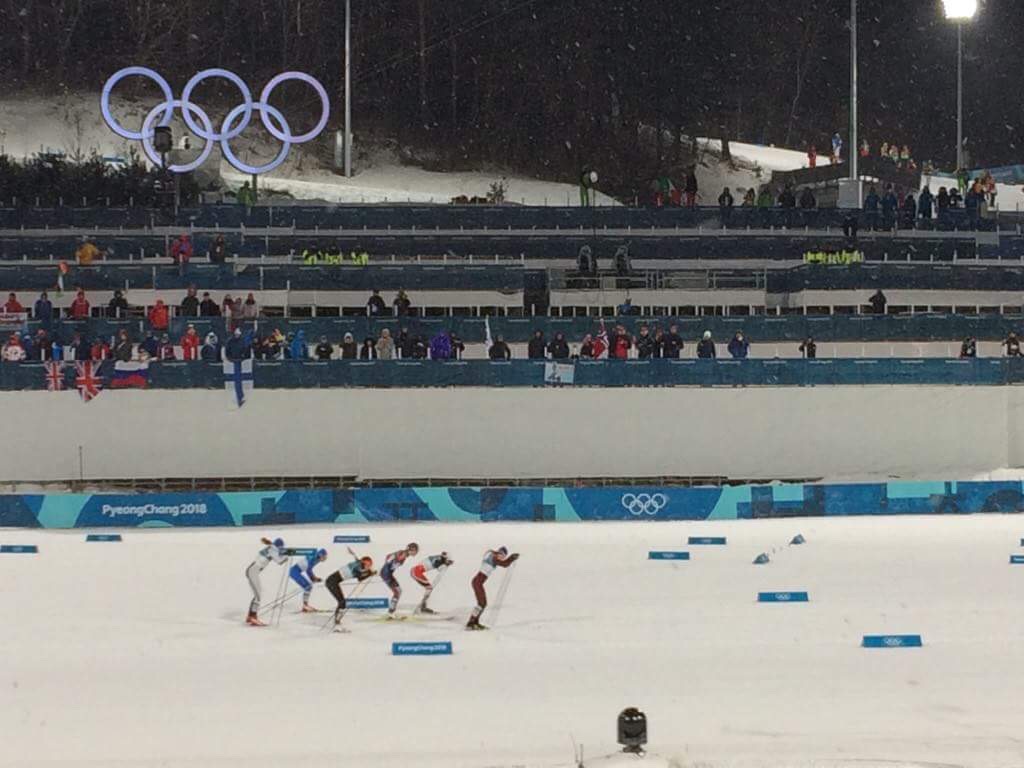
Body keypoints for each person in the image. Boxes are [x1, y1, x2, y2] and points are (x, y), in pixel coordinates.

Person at [466, 546, 519, 631]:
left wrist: (510, 558)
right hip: (477, 583)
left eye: (503, 556)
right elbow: (504, 564)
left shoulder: (492, 556)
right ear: (498, 552)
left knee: (482, 604)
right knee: (482, 604)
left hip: (477, 582)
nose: (501, 557)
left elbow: (503, 563)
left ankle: (474, 622)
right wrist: (512, 558)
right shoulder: (494, 557)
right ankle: (471, 623)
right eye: (501, 554)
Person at [324, 554, 376, 632]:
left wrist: (368, 572)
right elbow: (360, 578)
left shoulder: (358, 564)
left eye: (370, 565)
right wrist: (369, 573)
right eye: (368, 565)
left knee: (342, 602)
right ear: (364, 562)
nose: (369, 567)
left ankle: (337, 622)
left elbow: (360, 570)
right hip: (331, 582)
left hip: (333, 582)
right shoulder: (357, 567)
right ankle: (336, 624)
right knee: (342, 602)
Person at [245, 537, 288, 627]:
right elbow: (280, 561)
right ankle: (253, 617)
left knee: (257, 595)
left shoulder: (271, 548)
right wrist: (287, 556)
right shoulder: (273, 550)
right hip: (253, 571)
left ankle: (250, 616)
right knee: (258, 596)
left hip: (253, 570)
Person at [380, 543, 419, 619]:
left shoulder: (404, 554)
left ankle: (391, 612)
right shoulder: (403, 554)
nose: (416, 552)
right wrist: (387, 564)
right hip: (386, 574)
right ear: (411, 550)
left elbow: (389, 556)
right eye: (415, 551)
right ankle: (390, 613)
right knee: (397, 592)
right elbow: (392, 557)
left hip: (388, 573)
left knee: (398, 591)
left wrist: (389, 563)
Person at [288, 549, 328, 613]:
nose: (325, 559)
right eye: (324, 557)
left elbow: (309, 568)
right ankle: (305, 606)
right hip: (294, 572)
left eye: (326, 557)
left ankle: (305, 606)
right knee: (308, 587)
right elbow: (308, 570)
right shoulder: (314, 558)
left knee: (308, 587)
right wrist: (314, 578)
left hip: (296, 571)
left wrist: (314, 578)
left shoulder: (317, 559)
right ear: (320, 555)